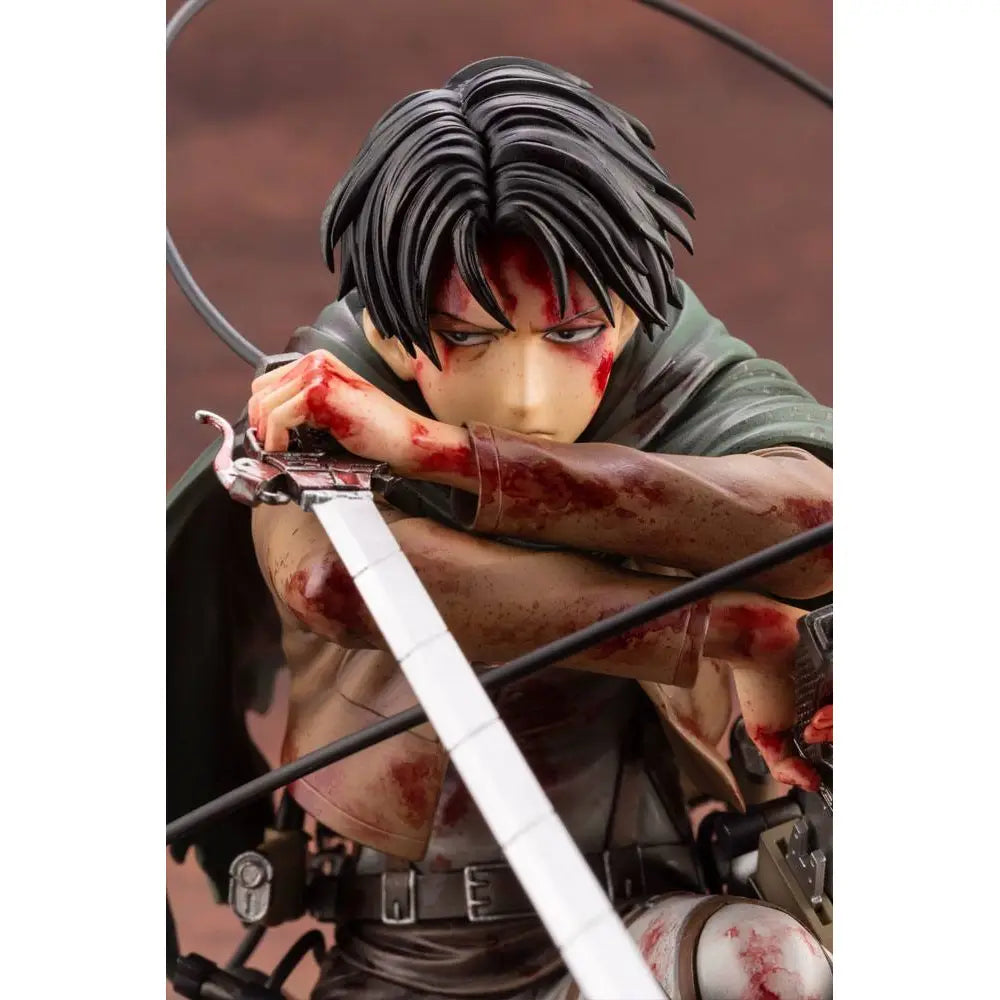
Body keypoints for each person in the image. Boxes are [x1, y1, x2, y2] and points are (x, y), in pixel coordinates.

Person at [170, 57, 833, 999]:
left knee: (762, 968)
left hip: (640, 928)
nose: (524, 396)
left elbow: (819, 524)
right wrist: (729, 629)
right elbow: (337, 583)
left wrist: (443, 452)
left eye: (571, 335)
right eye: (468, 339)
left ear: (626, 314)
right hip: (399, 948)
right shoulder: (315, 402)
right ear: (393, 330)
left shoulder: (669, 364)